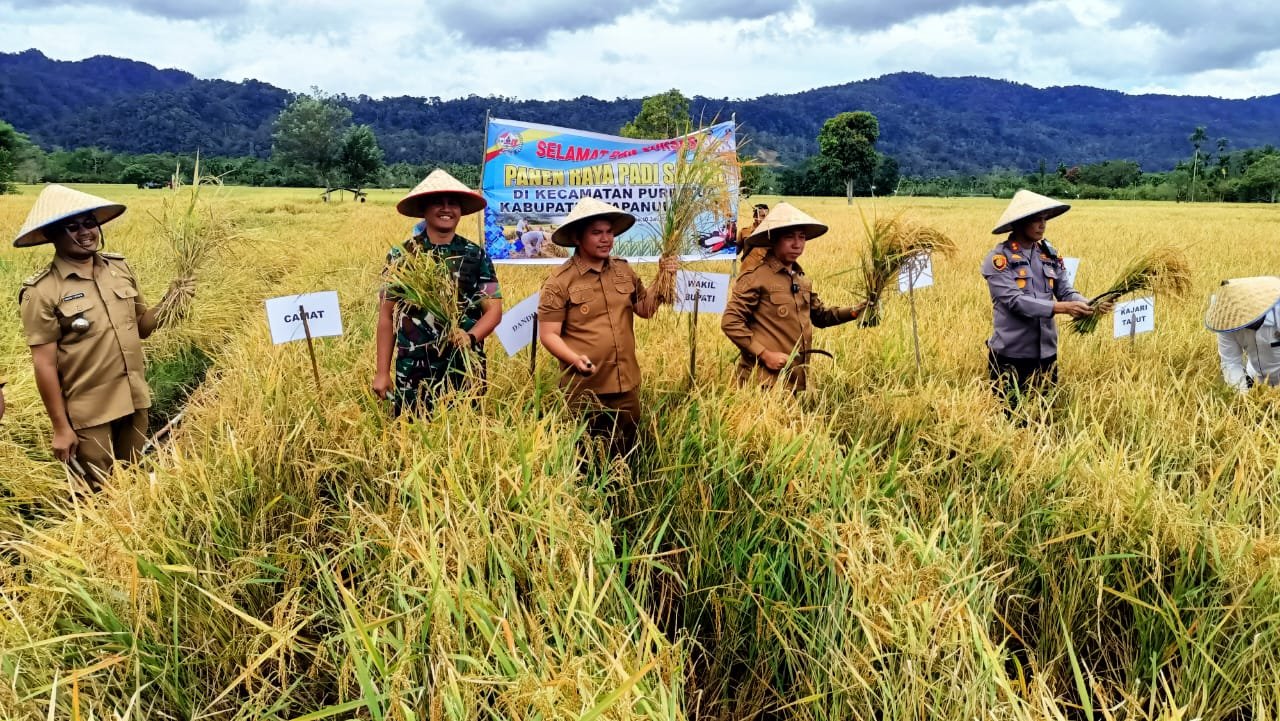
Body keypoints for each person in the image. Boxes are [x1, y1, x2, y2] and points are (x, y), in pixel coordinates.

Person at [15, 184, 193, 487]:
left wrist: (172, 300)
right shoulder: (42, 291)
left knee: (131, 480)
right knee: (97, 492)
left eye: (89, 223)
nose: (85, 232)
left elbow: (141, 327)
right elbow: (43, 364)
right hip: (89, 412)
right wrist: (60, 427)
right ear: (52, 235)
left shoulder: (119, 269)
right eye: (72, 227)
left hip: (134, 398)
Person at [537, 198, 675, 456]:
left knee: (626, 454)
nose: (605, 239)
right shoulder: (559, 282)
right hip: (584, 388)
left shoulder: (624, 271)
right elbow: (549, 335)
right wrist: (575, 359)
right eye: (596, 232)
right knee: (586, 458)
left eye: (609, 232)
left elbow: (645, 309)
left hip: (625, 385)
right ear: (577, 238)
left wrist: (664, 276)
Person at [373, 169, 503, 415]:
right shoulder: (402, 256)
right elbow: (386, 316)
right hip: (414, 369)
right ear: (424, 208)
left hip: (464, 366)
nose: (446, 209)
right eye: (437, 203)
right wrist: (382, 372)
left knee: (467, 430)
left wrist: (470, 336)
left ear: (461, 210)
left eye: (453, 203)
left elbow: (494, 309)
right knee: (411, 430)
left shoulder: (476, 255)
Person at [721, 202, 868, 391]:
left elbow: (821, 316)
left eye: (802, 237)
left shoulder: (801, 279)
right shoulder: (755, 277)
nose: (797, 244)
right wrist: (765, 354)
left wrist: (855, 311)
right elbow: (730, 321)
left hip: (794, 380)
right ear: (774, 239)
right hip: (762, 383)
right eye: (789, 237)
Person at [982, 190, 1108, 403]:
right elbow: (1015, 301)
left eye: (1044, 219)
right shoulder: (999, 259)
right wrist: (1062, 308)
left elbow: (1065, 291)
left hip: (1046, 354)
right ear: (1020, 222)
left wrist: (1090, 304)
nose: (1042, 225)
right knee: (1009, 416)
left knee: (1044, 415)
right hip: (1012, 355)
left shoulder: (1049, 255)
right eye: (1036, 219)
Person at [1204, 276, 1280, 392]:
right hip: (1255, 378)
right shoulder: (1227, 323)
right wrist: (1243, 397)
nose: (1240, 320)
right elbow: (1231, 362)